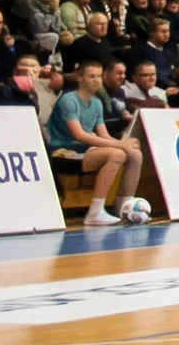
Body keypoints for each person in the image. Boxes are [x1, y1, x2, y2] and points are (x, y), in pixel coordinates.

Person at [49, 58, 144, 225]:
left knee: (135, 154)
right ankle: (95, 212)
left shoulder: (97, 102)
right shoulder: (68, 100)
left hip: (85, 150)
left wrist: (125, 142)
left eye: (99, 76)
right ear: (80, 77)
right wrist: (120, 145)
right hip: (62, 152)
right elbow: (80, 135)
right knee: (116, 154)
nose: (96, 80)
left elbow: (103, 135)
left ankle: (123, 207)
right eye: (91, 76)